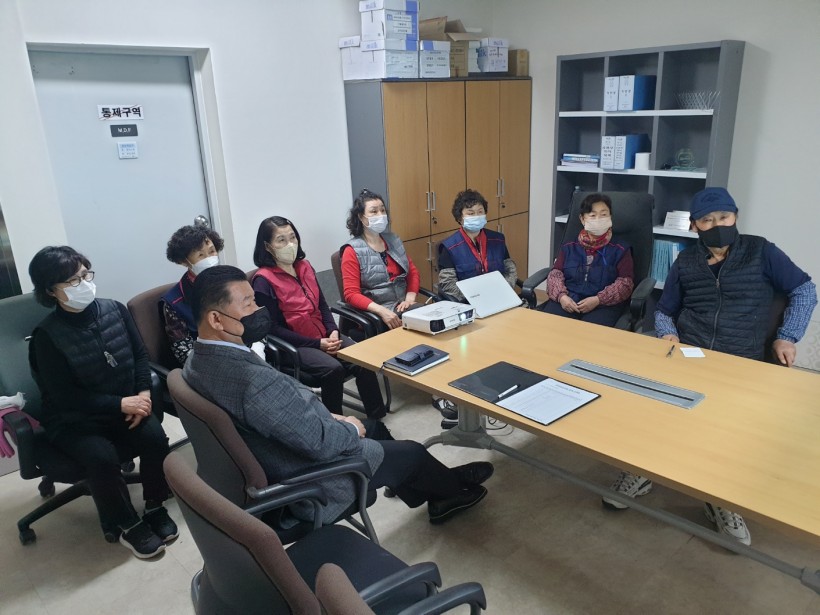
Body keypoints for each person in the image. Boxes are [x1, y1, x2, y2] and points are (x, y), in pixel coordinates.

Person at [182, 265, 494, 525]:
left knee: (376, 428)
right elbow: (318, 442)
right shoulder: (251, 381)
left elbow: (281, 414)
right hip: (310, 476)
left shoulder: (198, 360)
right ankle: (449, 492)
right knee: (409, 450)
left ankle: (421, 482)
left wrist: (330, 416)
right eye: (248, 304)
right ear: (216, 319)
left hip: (287, 444)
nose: (259, 310)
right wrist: (347, 427)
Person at [607, 187, 817, 547]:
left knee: (726, 434)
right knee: (654, 408)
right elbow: (665, 310)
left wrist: (787, 337)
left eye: (724, 217)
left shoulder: (761, 251)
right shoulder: (685, 261)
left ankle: (720, 498)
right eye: (707, 220)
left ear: (735, 217)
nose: (717, 224)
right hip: (692, 353)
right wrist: (669, 335)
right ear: (695, 226)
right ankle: (641, 469)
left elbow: (804, 290)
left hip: (741, 358)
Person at [27, 246, 177, 559]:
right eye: (72, 281)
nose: (83, 284)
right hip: (74, 420)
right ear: (50, 291)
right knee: (102, 457)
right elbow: (66, 397)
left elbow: (140, 356)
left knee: (154, 438)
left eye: (85, 275)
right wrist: (121, 404)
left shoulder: (115, 310)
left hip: (125, 405)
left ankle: (154, 505)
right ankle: (126, 522)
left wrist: (143, 394)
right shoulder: (46, 337)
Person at [250, 216, 387, 420]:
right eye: (281, 240)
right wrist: (317, 344)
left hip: (323, 334)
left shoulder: (304, 266)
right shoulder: (263, 281)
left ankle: (377, 418)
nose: (290, 244)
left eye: (292, 237)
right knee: (333, 369)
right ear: (267, 246)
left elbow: (322, 305)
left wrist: (332, 330)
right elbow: (272, 329)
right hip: (294, 345)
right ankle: (335, 426)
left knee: (361, 358)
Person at [540, 193, 634, 327]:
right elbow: (555, 274)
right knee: (548, 327)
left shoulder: (621, 249)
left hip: (603, 305)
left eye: (603, 215)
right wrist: (562, 297)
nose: (598, 219)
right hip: (569, 299)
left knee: (589, 335)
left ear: (610, 217)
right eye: (592, 215)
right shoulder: (569, 246)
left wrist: (599, 299)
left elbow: (626, 284)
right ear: (582, 219)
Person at [341, 189, 421, 332]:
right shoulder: (351, 250)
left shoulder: (393, 240)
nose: (381, 215)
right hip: (375, 314)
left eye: (383, 210)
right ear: (361, 217)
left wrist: (409, 299)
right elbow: (351, 294)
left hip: (403, 306)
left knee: (432, 318)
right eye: (374, 211)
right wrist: (382, 311)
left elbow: (412, 273)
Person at [437, 189, 518, 302]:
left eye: (480, 212)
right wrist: (476, 298)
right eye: (471, 213)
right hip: (468, 302)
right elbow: (449, 285)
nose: (477, 216)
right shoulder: (449, 247)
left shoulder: (498, 239)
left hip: (500, 297)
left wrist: (502, 290)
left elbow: (510, 271)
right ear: (460, 218)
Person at [161, 225, 225, 366]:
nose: (209, 259)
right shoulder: (174, 302)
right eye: (201, 255)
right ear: (184, 261)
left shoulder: (232, 281)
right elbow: (184, 351)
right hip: (209, 364)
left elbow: (252, 317)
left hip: (244, 351)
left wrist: (258, 347)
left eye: (212, 251)